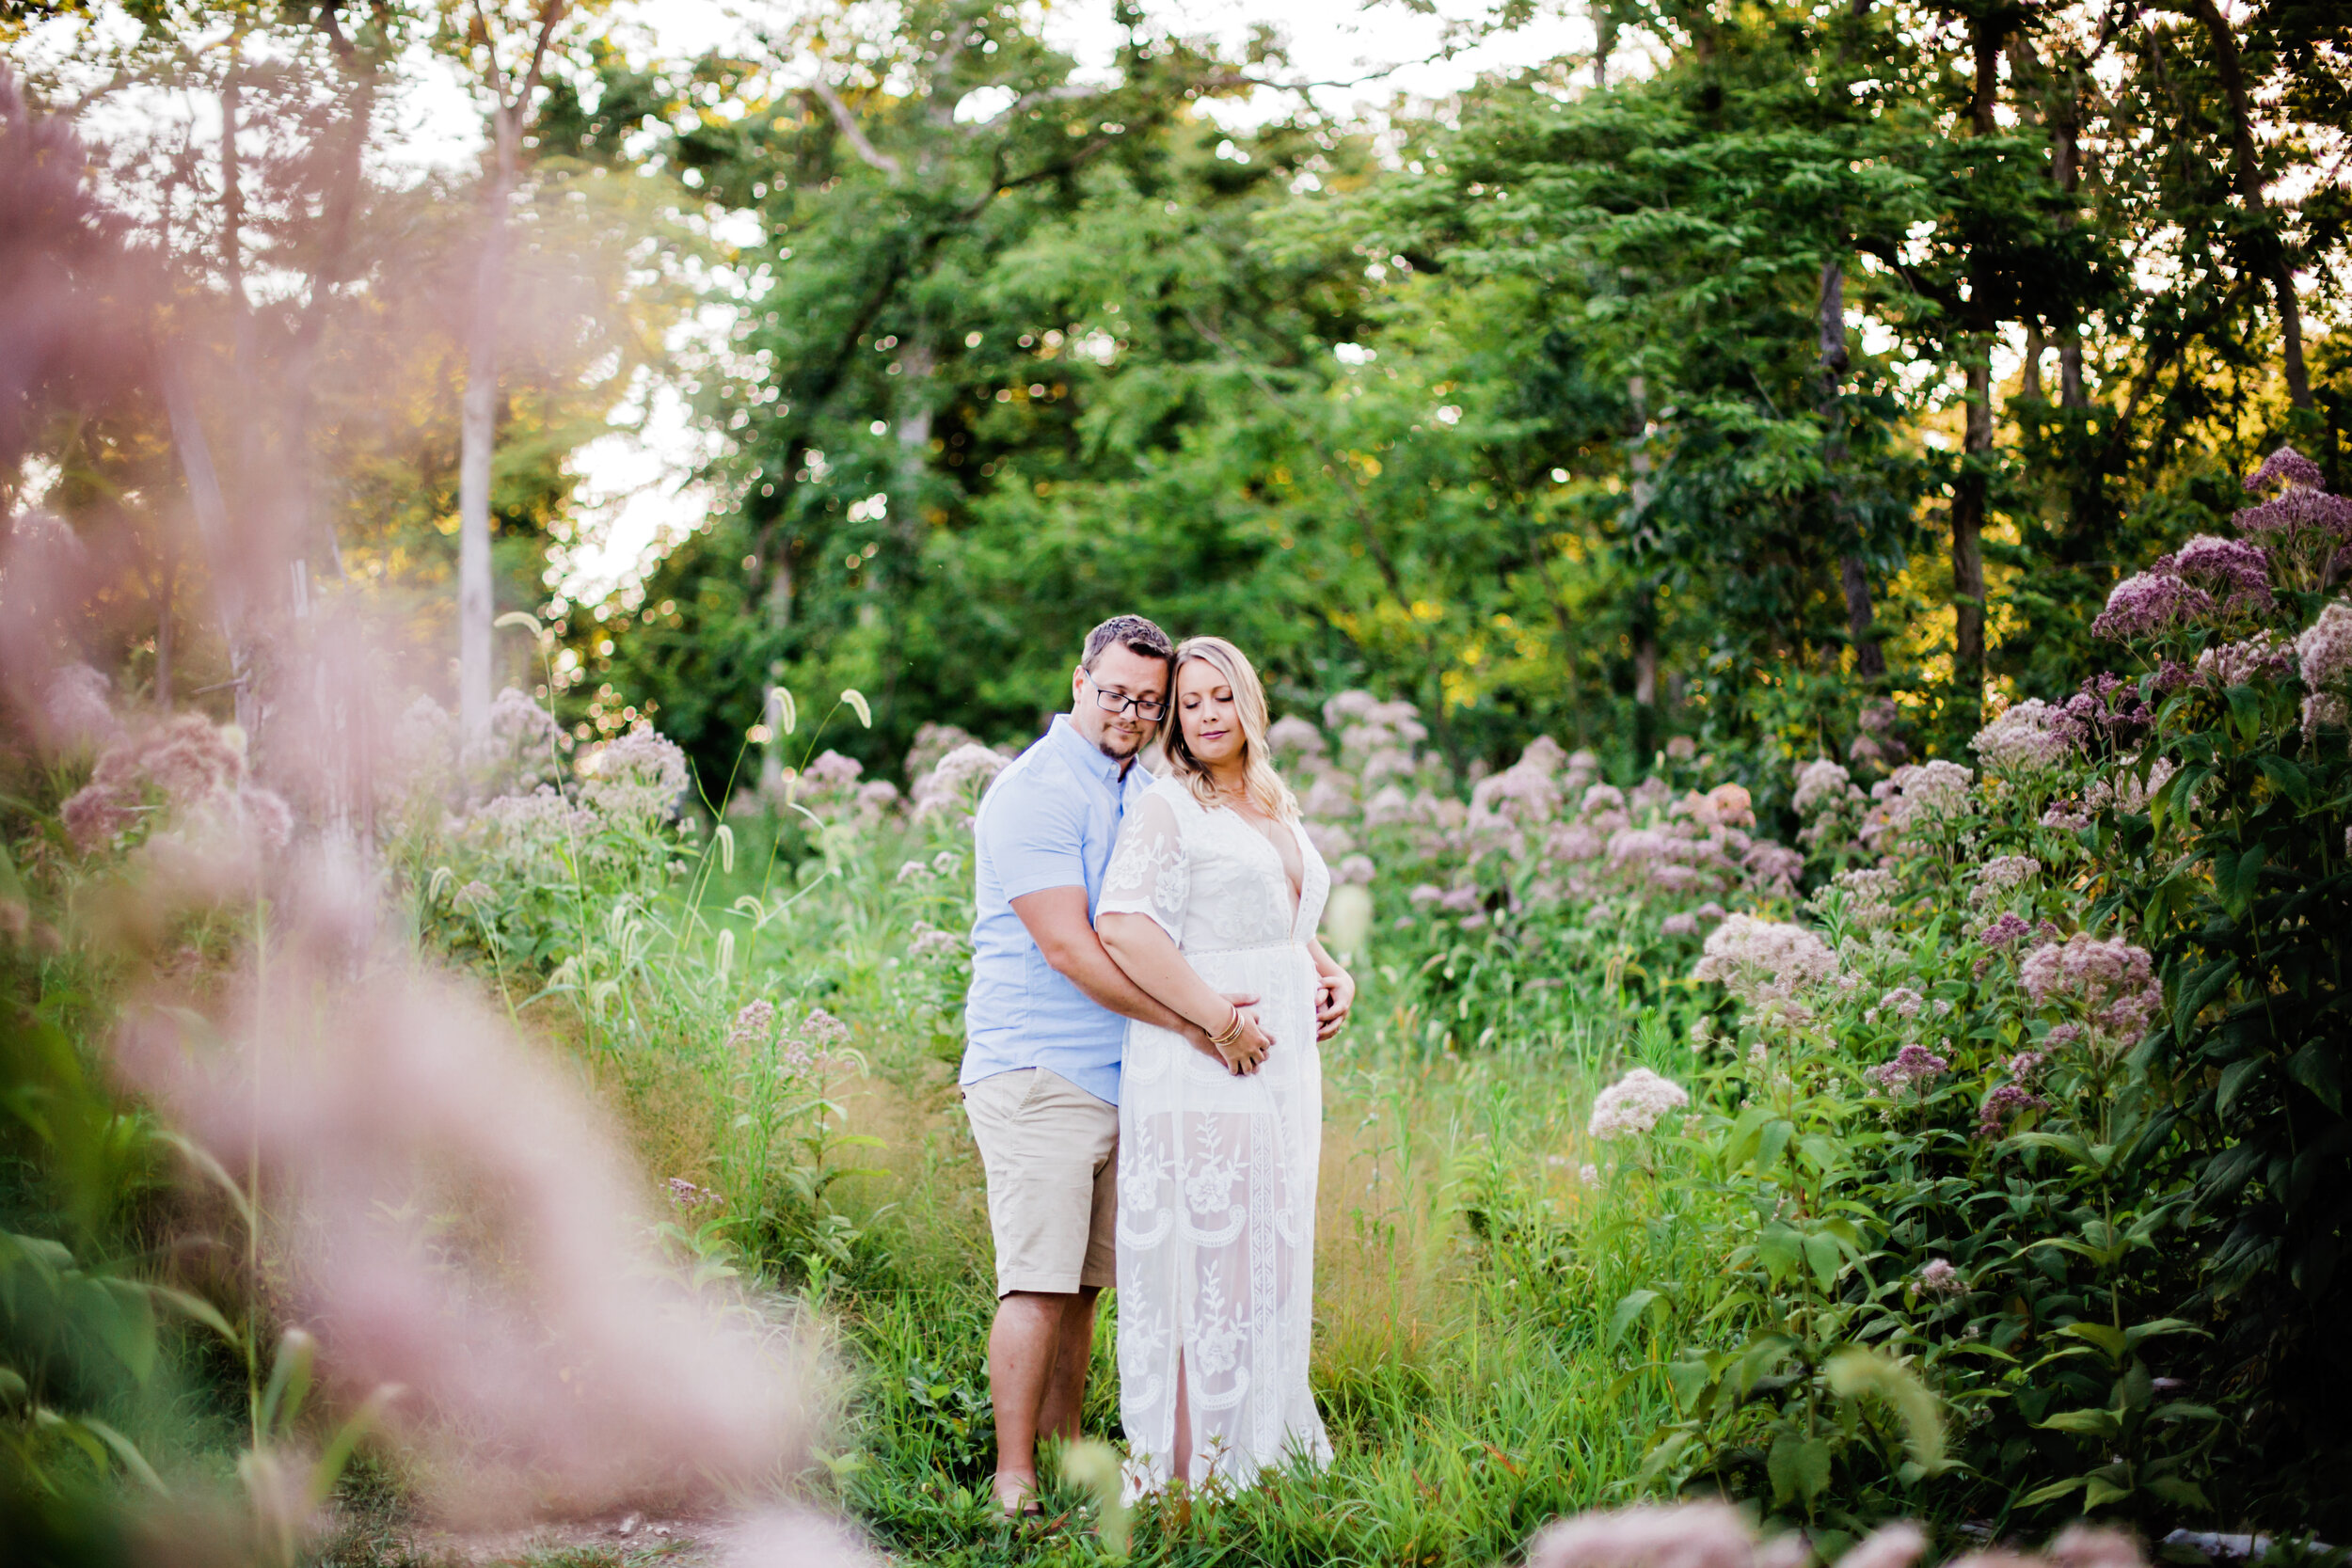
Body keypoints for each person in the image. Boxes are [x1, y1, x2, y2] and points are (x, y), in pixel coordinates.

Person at [957, 614, 1263, 1518]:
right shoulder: (1035, 791)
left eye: (1149, 701)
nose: (1131, 712)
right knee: (1037, 1282)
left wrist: (1321, 966)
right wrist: (1199, 1023)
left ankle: (1060, 1455)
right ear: (1080, 679)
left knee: (1086, 1286)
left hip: (1124, 1071)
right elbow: (1073, 949)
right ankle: (1013, 1478)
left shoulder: (1144, 785)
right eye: (1116, 692)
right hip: (1037, 1068)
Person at [1096, 634, 1356, 1494]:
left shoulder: (1271, 799)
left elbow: (1279, 910)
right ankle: (1187, 1476)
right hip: (1208, 1058)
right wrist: (1217, 1024)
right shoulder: (1172, 805)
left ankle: (1256, 1452)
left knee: (1264, 1256)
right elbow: (1125, 925)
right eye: (1189, 702)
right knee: (1204, 1267)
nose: (1206, 715)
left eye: (1220, 697)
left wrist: (1327, 968)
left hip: (1281, 1065)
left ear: (1250, 701)